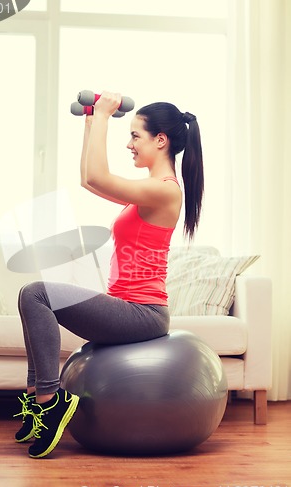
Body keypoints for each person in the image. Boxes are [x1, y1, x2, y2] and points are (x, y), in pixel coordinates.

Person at [14, 92, 204, 459]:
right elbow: (89, 179)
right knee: (31, 296)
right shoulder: (148, 191)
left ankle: (49, 401)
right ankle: (39, 403)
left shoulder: (164, 191)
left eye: (135, 136)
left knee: (36, 294)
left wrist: (103, 114)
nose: (129, 144)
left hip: (143, 314)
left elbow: (98, 176)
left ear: (160, 140)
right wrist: (90, 120)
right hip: (126, 306)